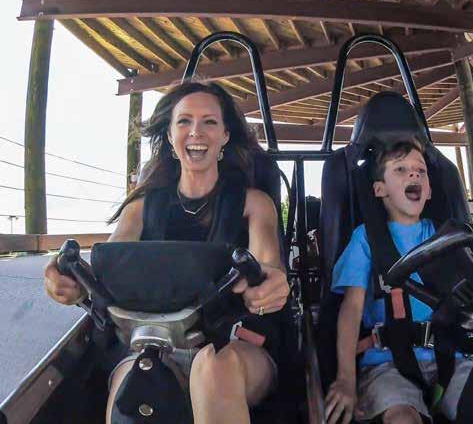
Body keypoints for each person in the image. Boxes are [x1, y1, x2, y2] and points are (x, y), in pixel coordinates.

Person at [44, 82, 290, 424]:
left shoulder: (254, 204)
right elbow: (105, 273)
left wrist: (271, 285)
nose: (196, 131)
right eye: (184, 121)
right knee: (134, 384)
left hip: (232, 343)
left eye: (209, 122)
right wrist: (67, 280)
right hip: (150, 343)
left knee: (213, 367)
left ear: (225, 135)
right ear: (171, 136)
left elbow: (267, 265)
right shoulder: (141, 209)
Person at [324, 140, 473, 424]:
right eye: (400, 169)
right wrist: (345, 378)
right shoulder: (365, 238)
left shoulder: (450, 235)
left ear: (428, 191)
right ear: (380, 189)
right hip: (387, 361)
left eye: (420, 170)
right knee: (402, 418)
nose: (413, 174)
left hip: (454, 356)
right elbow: (351, 309)